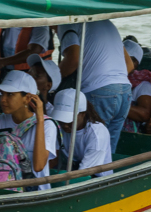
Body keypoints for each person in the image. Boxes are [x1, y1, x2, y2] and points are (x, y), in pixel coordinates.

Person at [57, 20, 133, 154]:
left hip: (98, 91)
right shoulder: (106, 21)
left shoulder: (67, 22)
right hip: (124, 90)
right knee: (107, 150)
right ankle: (105, 175)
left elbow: (73, 58)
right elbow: (129, 65)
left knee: (86, 148)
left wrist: (53, 81)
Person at [0, 71, 58, 190]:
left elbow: (38, 166)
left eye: (10, 94)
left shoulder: (47, 125)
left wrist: (40, 119)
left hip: (34, 193)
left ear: (27, 98)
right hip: (2, 191)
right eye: (2, 94)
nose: (3, 99)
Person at [52, 88, 113, 177]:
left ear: (83, 114)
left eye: (69, 120)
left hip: (97, 180)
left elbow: (84, 172)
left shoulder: (97, 133)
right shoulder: (56, 126)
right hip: (73, 172)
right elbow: (53, 158)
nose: (65, 125)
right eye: (61, 120)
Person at [123, 39, 151, 133]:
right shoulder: (107, 78)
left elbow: (144, 114)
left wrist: (114, 105)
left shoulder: (143, 85)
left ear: (135, 63)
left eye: (124, 59)